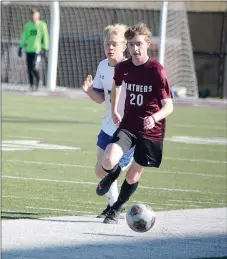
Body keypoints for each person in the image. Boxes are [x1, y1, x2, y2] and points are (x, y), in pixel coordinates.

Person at [96, 23, 174, 224]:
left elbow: (169, 106)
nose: (135, 49)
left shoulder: (156, 71)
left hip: (151, 132)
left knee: (132, 177)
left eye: (138, 44)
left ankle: (116, 208)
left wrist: (155, 117)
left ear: (148, 44)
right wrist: (114, 110)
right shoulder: (123, 67)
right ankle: (111, 177)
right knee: (108, 160)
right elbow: (116, 85)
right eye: (131, 45)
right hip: (129, 125)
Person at [82, 24, 134, 219]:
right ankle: (113, 204)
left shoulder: (131, 69)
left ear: (123, 46)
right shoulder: (103, 66)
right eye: (107, 44)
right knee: (100, 170)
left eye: (114, 44)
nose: (110, 48)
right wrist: (88, 92)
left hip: (127, 130)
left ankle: (115, 207)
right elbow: (101, 97)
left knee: (110, 166)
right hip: (107, 126)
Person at [18, 9, 49, 91]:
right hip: (29, 50)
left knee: (34, 67)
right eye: (32, 15)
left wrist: (45, 49)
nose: (33, 16)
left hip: (37, 50)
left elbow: (45, 37)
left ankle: (38, 84)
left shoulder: (42, 25)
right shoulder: (28, 25)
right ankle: (31, 85)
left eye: (35, 15)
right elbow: (24, 36)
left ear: (38, 16)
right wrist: (21, 47)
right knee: (29, 68)